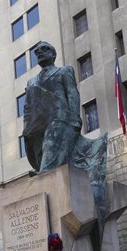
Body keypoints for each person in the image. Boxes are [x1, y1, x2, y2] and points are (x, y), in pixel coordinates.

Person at [22, 41, 82, 173]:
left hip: (61, 118)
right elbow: (29, 106)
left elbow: (72, 93)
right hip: (39, 122)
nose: (39, 52)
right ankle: (42, 166)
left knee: (51, 138)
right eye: (37, 51)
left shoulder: (64, 71)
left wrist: (75, 118)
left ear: (53, 54)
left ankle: (46, 171)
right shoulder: (31, 81)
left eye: (44, 49)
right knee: (35, 142)